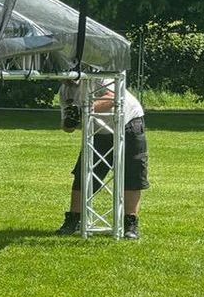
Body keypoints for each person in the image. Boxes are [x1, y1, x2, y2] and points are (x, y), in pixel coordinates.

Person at [55, 81, 148, 239]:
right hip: (98, 130)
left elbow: (113, 97)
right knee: (83, 174)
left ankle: (130, 224)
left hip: (128, 123)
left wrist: (82, 110)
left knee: (132, 174)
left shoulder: (98, 77)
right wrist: (70, 122)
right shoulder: (65, 91)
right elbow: (67, 127)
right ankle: (74, 220)